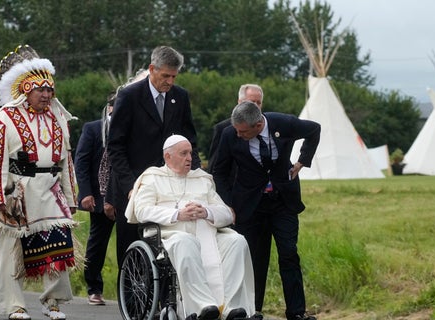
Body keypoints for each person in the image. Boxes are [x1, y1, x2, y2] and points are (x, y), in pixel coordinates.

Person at [0, 44, 77, 320]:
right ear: (26, 90)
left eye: (50, 90)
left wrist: (70, 198)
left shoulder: (59, 118)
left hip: (50, 190)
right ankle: (14, 306)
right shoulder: (6, 119)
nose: (47, 95)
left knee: (59, 246)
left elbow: (65, 161)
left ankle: (53, 302)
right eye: (40, 90)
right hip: (17, 193)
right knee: (11, 252)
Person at [126, 135, 255, 320]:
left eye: (190, 153)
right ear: (168, 156)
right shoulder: (153, 178)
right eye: (184, 153)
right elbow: (142, 210)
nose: (190, 158)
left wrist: (206, 212)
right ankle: (203, 307)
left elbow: (226, 213)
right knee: (185, 241)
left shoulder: (202, 179)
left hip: (208, 234)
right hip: (171, 233)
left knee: (237, 241)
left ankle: (231, 307)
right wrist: (178, 214)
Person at [213, 101, 321, 320]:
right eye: (237, 130)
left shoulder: (284, 123)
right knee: (253, 259)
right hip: (250, 205)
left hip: (283, 202)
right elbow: (219, 171)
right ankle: (253, 311)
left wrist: (302, 162)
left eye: (243, 131)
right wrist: (229, 204)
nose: (239, 134)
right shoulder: (229, 135)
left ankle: (296, 312)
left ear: (258, 124)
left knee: (289, 254)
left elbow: (314, 129)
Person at [107, 46, 201, 268]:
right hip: (133, 185)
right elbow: (115, 146)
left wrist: (195, 175)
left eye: (174, 77)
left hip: (169, 188)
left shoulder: (180, 97)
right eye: (165, 76)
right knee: (132, 248)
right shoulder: (129, 96)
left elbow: (190, 141)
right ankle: (132, 299)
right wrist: (131, 186)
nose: (169, 81)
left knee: (164, 250)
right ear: (152, 69)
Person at [207, 84, 271, 316]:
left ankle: (256, 308)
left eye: (259, 103)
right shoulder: (224, 130)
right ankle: (232, 306)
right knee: (236, 257)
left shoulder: (270, 128)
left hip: (263, 204)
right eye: (250, 102)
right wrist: (228, 204)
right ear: (239, 102)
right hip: (236, 204)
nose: (255, 106)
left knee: (260, 258)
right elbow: (217, 169)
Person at [73, 95, 116, 306]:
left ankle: (128, 289)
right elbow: (80, 161)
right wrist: (86, 193)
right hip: (99, 195)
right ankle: (94, 287)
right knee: (97, 243)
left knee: (129, 244)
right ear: (109, 108)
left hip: (125, 195)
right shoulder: (93, 129)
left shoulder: (132, 129)